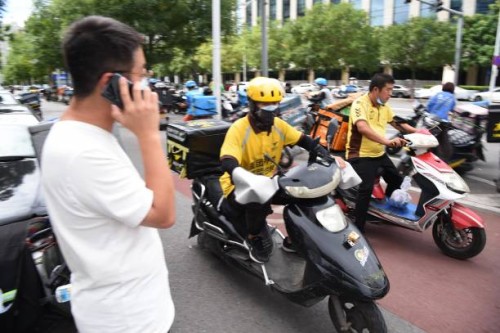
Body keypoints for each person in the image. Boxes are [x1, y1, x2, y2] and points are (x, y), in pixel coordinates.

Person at [40, 16, 175, 333]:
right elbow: (164, 213)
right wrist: (149, 136)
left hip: (128, 310)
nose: (146, 84)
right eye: (141, 75)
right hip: (126, 320)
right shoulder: (82, 151)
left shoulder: (82, 135)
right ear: (110, 84)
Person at [219, 77, 344, 263]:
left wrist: (323, 152)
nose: (271, 109)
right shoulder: (239, 129)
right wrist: (239, 173)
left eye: (274, 104)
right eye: (265, 104)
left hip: (269, 180)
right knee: (257, 199)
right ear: (253, 105)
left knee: (304, 193)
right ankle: (254, 238)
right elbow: (228, 159)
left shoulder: (278, 125)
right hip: (239, 184)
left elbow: (303, 140)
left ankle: (295, 238)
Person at [345, 73, 424, 233]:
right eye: (388, 90)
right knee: (365, 191)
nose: (391, 93)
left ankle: (383, 213)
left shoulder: (384, 107)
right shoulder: (360, 104)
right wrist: (387, 142)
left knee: (397, 180)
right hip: (360, 155)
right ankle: (357, 231)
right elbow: (363, 128)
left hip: (378, 153)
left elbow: (399, 124)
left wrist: (420, 133)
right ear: (376, 89)